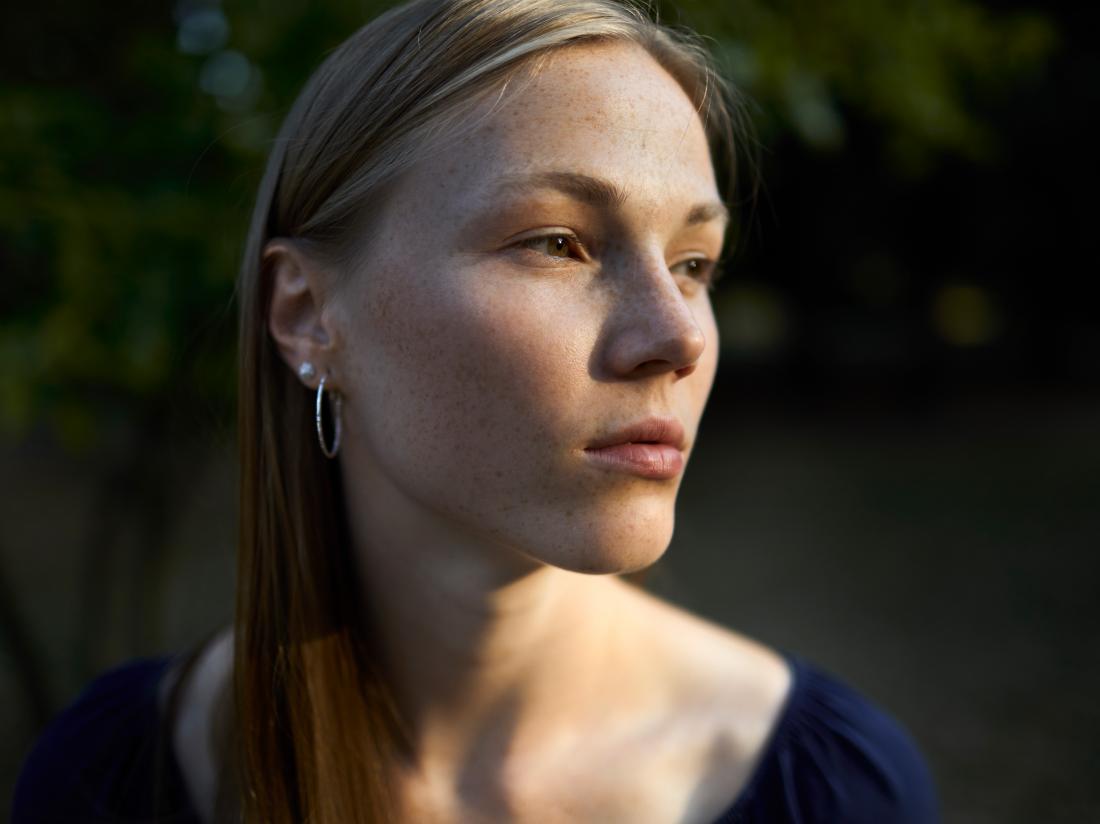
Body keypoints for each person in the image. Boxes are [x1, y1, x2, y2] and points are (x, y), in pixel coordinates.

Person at [12, 0, 940, 821]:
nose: (678, 337)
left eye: (694, 263)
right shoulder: (114, 781)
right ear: (305, 314)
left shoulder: (832, 789)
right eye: (560, 244)